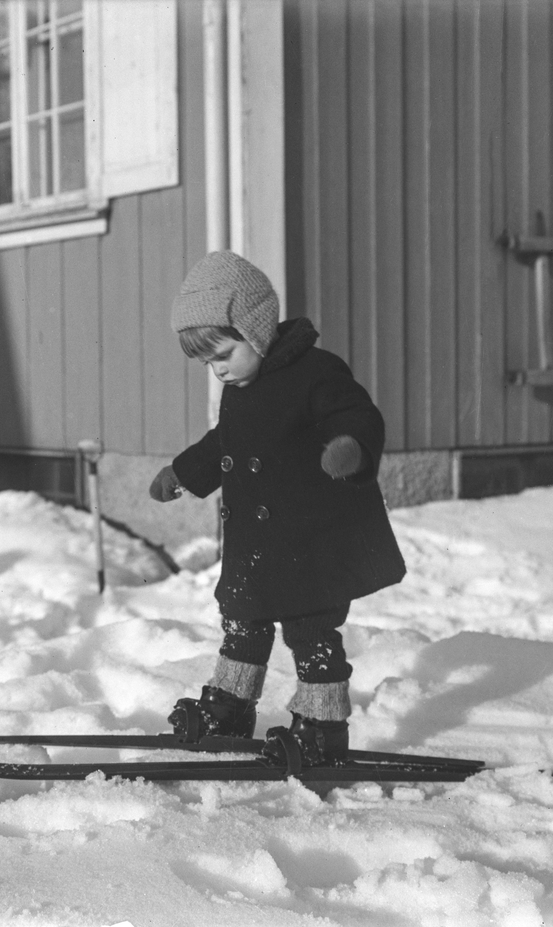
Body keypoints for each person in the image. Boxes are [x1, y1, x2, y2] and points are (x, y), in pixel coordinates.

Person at [149, 251, 406, 766]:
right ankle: (231, 706)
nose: (217, 368)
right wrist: (185, 472)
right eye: (207, 362)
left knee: (311, 632)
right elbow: (226, 439)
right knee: (242, 622)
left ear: (256, 328)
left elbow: (359, 415)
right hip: (257, 544)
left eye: (222, 352)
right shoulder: (240, 386)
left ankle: (322, 723)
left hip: (312, 540)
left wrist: (349, 448)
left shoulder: (316, 371)